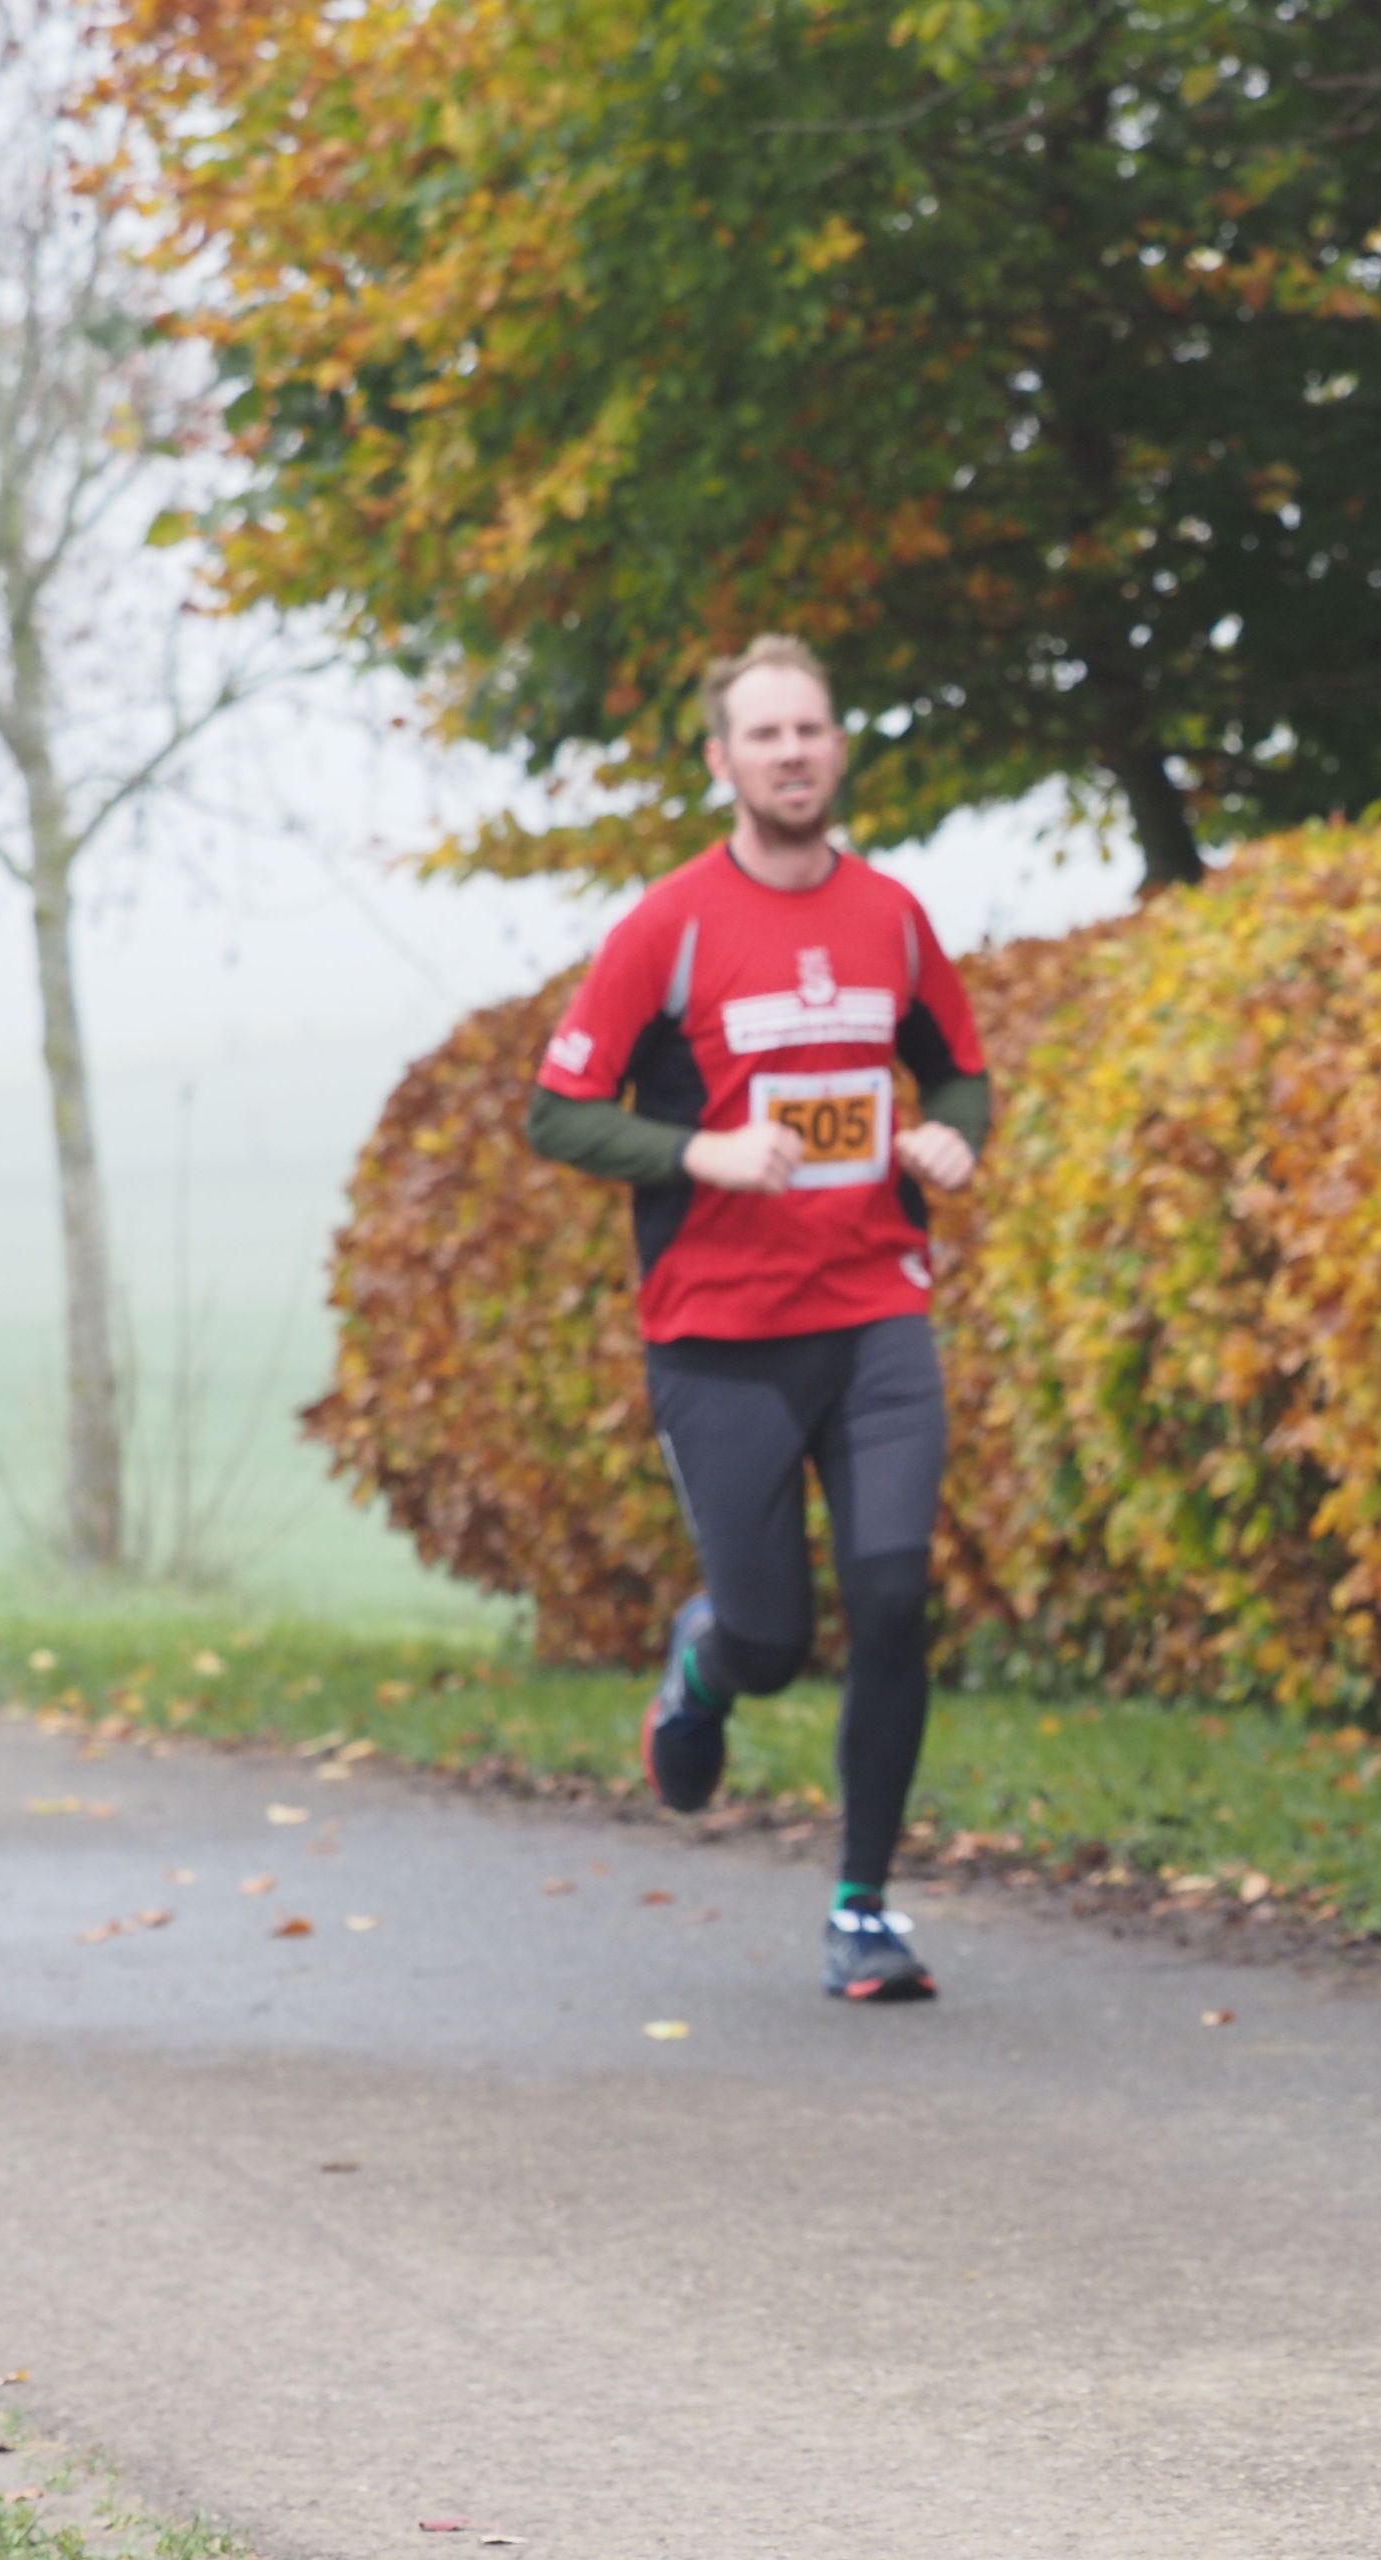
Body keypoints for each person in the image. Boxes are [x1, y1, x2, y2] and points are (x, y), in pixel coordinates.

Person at [523, 633, 991, 2003]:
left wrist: (952, 1137)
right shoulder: (668, 926)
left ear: (838, 749)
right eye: (766, 734)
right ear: (723, 761)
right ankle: (706, 1665)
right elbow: (558, 1109)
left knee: (893, 1603)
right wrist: (700, 1154)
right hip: (720, 1337)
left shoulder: (892, 916)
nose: (793, 753)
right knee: (772, 1641)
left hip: (875, 1315)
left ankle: (864, 1909)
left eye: (811, 729)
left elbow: (958, 1073)